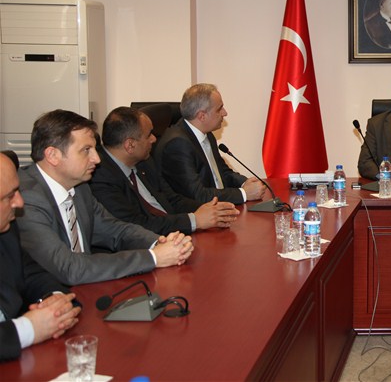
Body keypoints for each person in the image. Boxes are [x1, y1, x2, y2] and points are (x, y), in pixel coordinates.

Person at [16, 110, 194, 286]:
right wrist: (154, 257)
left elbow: (115, 230)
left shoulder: (80, 187)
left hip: (87, 288)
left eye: (94, 149)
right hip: (50, 296)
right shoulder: (25, 200)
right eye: (86, 150)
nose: (97, 158)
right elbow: (69, 268)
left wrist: (160, 242)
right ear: (53, 155)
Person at [89, 107, 239, 236]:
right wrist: (195, 220)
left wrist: (210, 210)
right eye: (149, 135)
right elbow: (135, 225)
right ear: (130, 145)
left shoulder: (144, 162)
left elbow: (172, 200)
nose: (154, 139)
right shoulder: (100, 177)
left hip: (175, 235)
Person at [0, 152, 80, 362]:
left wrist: (55, 301)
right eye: (9, 196)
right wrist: (29, 328)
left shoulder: (6, 230)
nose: (19, 202)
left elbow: (31, 274)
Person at [155, 84, 266, 204]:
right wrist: (244, 193)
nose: (225, 113)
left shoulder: (206, 134)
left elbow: (221, 172)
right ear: (202, 116)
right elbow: (198, 195)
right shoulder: (177, 145)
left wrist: (245, 183)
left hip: (218, 206)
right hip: (198, 211)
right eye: (219, 109)